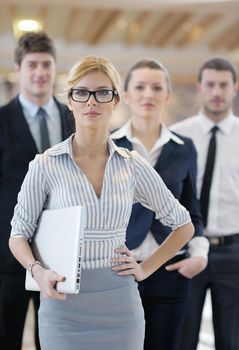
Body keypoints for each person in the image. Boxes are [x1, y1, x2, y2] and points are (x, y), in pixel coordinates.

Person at [9, 55, 194, 350]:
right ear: (70, 100)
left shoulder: (133, 165)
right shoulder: (45, 165)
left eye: (102, 93)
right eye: (81, 93)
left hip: (120, 305)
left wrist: (145, 268)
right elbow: (18, 235)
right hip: (62, 305)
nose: (91, 102)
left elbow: (183, 226)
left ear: (116, 100)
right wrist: (37, 271)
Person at [111, 58, 209, 350]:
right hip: (122, 270)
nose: (148, 94)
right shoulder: (109, 147)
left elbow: (192, 209)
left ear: (168, 95)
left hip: (171, 270)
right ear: (126, 95)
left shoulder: (184, 148)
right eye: (139, 87)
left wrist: (200, 255)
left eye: (157, 87)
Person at [0, 31, 73, 350]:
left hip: (63, 257)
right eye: (32, 65)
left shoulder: (74, 120)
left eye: (47, 64)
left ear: (56, 68)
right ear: (18, 69)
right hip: (7, 260)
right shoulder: (1, 121)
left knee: (57, 342)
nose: (40, 72)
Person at [171, 57, 239, 350]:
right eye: (210, 84)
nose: (217, 91)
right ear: (200, 87)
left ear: (235, 88)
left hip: (235, 253)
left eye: (223, 85)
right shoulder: (178, 135)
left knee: (233, 341)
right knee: (182, 339)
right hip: (188, 248)